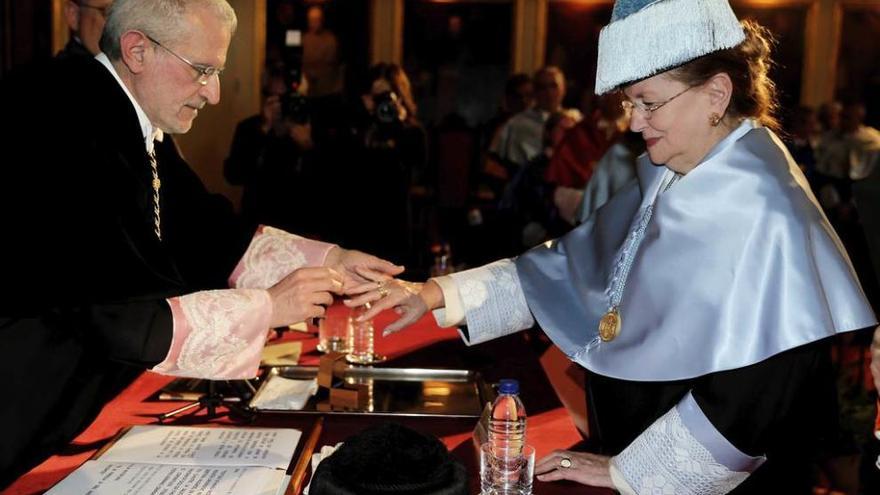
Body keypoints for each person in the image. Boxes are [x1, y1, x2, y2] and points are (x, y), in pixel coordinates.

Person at [348, 0, 878, 492]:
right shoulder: (676, 173)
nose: (633, 122)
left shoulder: (764, 204)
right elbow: (567, 266)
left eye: (648, 102)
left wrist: (628, 472)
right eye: (630, 102)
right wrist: (434, 293)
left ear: (716, 95)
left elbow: (755, 396)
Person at [0, 0, 401, 486]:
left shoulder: (123, 114)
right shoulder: (62, 120)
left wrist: (333, 261)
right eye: (202, 70)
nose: (212, 93)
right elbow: (115, 311)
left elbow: (209, 232)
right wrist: (267, 307)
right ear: (138, 50)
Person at [224, 69, 318, 235]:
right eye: (276, 97)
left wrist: (307, 145)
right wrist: (263, 130)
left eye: (288, 97)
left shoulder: (310, 126)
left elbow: (330, 181)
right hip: (258, 222)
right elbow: (234, 175)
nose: (282, 104)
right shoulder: (250, 127)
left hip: (301, 222)